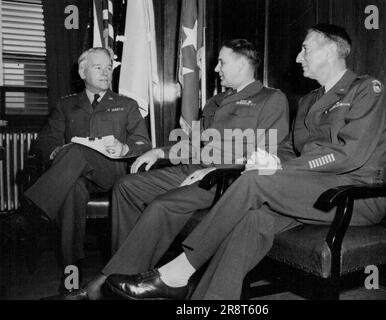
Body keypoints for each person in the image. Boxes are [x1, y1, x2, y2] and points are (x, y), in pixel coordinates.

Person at [101, 23, 386, 300]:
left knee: (255, 181)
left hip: (354, 196)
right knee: (252, 222)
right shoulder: (309, 100)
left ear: (330, 50)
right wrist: (261, 159)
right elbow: (291, 150)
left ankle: (179, 271)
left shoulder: (365, 89)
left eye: (305, 49)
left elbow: (349, 154)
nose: (297, 57)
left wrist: (277, 168)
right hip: (310, 191)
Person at [53, 38, 290, 300]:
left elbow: (270, 157)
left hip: (226, 180)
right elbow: (194, 144)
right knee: (126, 186)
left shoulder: (270, 99)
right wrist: (160, 151)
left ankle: (107, 282)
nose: (215, 69)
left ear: (243, 62)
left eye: (222, 62)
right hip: (192, 167)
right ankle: (127, 273)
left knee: (161, 205)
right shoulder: (215, 102)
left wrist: (218, 169)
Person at [21, 47, 152, 290]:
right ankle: (73, 273)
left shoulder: (126, 104)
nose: (105, 73)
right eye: (98, 67)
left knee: (77, 149)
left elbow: (144, 142)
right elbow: (45, 142)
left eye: (108, 68)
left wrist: (125, 148)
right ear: (83, 72)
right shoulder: (66, 105)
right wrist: (57, 152)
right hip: (72, 176)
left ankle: (38, 203)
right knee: (72, 190)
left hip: (111, 173)